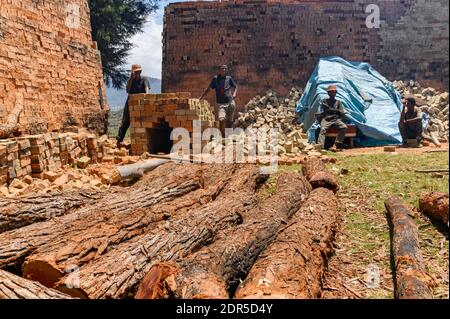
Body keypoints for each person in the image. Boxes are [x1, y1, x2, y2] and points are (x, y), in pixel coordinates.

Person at [116, 64, 150, 148]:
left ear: (140, 71)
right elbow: (127, 90)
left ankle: (143, 141)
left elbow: (146, 88)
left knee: (142, 121)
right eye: (135, 72)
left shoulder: (144, 79)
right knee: (125, 121)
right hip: (130, 102)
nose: (137, 73)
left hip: (141, 102)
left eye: (139, 71)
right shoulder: (130, 80)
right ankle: (119, 140)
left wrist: (146, 97)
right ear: (133, 72)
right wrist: (131, 78)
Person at [199, 65, 237, 136]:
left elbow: (235, 86)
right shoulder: (215, 79)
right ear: (219, 70)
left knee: (230, 121)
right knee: (221, 119)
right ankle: (222, 135)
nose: (224, 70)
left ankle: (229, 137)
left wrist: (234, 94)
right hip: (220, 104)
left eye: (225, 69)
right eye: (222, 69)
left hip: (230, 102)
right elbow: (208, 89)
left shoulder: (229, 78)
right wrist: (201, 97)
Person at [317, 85, 348, 152]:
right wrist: (335, 110)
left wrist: (333, 110)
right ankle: (320, 147)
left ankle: (336, 144)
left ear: (336, 93)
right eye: (331, 92)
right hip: (326, 119)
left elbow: (341, 112)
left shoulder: (338, 102)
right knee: (322, 129)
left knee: (344, 127)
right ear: (328, 93)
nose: (332, 93)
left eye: (334, 92)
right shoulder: (324, 101)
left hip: (335, 119)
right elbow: (326, 110)